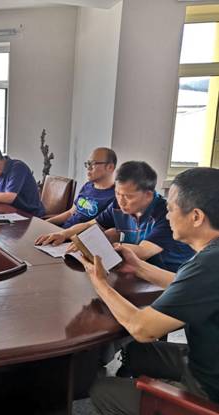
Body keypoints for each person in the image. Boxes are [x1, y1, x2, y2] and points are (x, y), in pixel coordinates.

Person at [80, 167, 219, 413]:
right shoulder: (211, 258)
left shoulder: (209, 264)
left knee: (102, 390)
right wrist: (139, 267)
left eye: (171, 209)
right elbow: (188, 287)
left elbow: (142, 328)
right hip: (204, 357)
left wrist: (100, 283)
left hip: (209, 389)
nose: (167, 216)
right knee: (136, 352)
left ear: (196, 216)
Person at [35, 161, 194, 272]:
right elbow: (91, 224)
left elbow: (142, 251)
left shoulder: (166, 215)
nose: (121, 201)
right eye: (117, 193)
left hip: (167, 278)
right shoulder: (118, 205)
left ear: (148, 195)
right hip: (137, 271)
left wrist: (94, 246)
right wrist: (64, 234)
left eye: (128, 196)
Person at [47, 147, 116, 228]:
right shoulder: (87, 186)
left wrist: (65, 233)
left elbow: (99, 228)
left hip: (76, 235)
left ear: (110, 167)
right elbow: (70, 213)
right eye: (88, 163)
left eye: (93, 164)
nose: (88, 168)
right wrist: (45, 222)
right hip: (61, 230)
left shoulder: (115, 197)